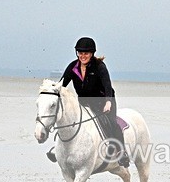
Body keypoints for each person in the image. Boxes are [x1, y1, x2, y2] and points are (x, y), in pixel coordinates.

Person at [47, 37, 129, 167]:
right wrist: (51, 92)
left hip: (104, 102)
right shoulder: (73, 67)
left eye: (86, 53)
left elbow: (107, 85)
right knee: (68, 121)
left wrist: (108, 102)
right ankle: (57, 147)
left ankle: (122, 152)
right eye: (80, 53)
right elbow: (62, 84)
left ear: (91, 54)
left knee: (112, 123)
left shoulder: (99, 67)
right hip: (84, 103)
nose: (82, 56)